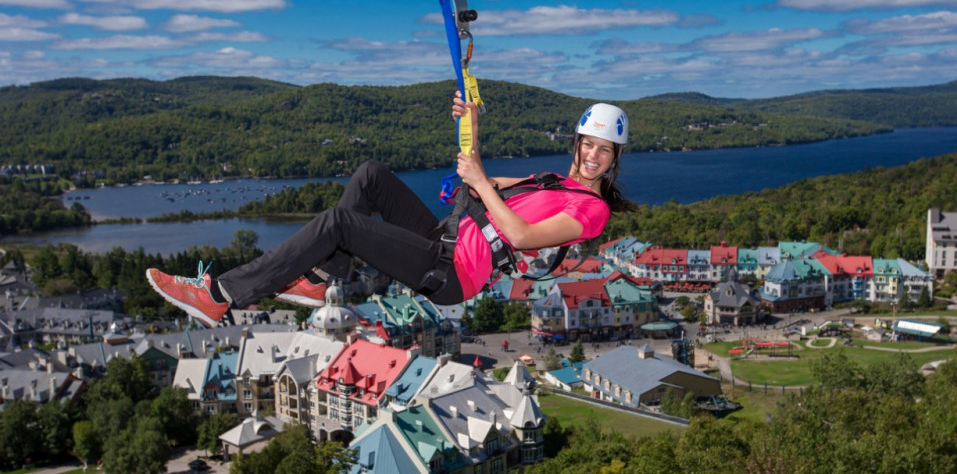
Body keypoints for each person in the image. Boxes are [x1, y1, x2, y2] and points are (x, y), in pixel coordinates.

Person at [146, 95, 634, 327]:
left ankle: (222, 293)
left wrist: (483, 184)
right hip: (446, 236)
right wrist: (474, 127)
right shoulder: (553, 180)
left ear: (614, 159)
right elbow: (479, 176)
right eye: (587, 144)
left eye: (603, 150)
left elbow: (524, 236)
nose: (592, 155)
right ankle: (320, 280)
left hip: (455, 272)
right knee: (370, 175)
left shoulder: (591, 210)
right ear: (576, 142)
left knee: (338, 223)